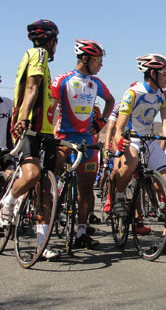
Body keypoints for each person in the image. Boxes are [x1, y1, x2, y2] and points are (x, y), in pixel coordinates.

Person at [113, 54, 166, 256]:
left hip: (150, 139)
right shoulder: (132, 93)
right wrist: (120, 141)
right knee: (131, 163)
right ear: (152, 73)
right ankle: (118, 195)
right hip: (132, 136)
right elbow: (119, 126)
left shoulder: (164, 94)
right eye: (165, 73)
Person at [0, 19, 60, 259]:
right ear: (51, 41)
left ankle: (41, 244)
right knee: (32, 175)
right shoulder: (39, 55)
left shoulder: (35, 56)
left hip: (44, 130)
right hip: (30, 127)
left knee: (45, 187)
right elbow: (32, 88)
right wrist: (23, 119)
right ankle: (8, 200)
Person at [51, 39, 114, 249]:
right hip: (63, 139)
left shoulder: (96, 83)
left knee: (86, 187)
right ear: (85, 58)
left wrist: (101, 121)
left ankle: (81, 230)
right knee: (50, 177)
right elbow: (50, 109)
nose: (101, 65)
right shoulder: (62, 80)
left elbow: (111, 101)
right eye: (98, 60)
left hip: (87, 142)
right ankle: (47, 215)